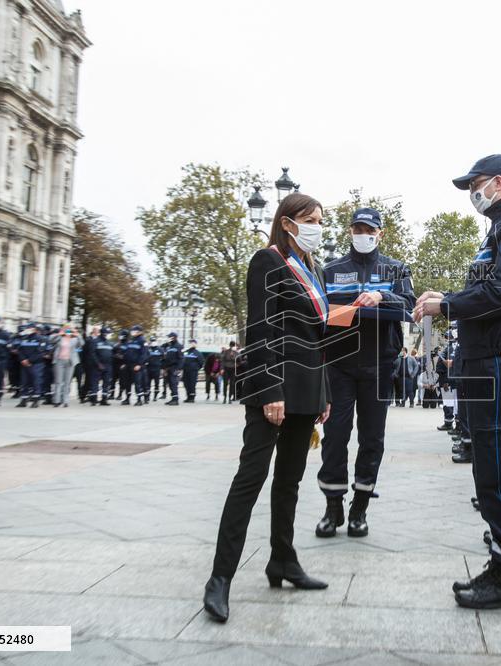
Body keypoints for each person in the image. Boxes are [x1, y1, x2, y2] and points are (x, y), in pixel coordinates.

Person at [414, 154, 501, 609]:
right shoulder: (500, 228)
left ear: (499, 182)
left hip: (495, 362)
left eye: (476, 184)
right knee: (487, 468)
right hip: (480, 361)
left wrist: (447, 306)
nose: (473, 193)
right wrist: (448, 297)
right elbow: (489, 291)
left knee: (499, 472)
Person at [204, 192, 332, 624]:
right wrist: (271, 390)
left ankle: (283, 561)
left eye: (321, 221)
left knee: (289, 481)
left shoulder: (315, 269)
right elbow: (260, 331)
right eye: (310, 220)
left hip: (308, 390)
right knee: (250, 479)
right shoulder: (267, 261)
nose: (317, 227)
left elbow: (319, 338)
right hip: (273, 389)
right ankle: (220, 578)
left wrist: (324, 394)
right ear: (287, 222)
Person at [315, 206, 415, 538]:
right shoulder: (331, 269)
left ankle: (360, 508)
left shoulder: (396, 268)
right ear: (350, 231)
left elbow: (409, 307)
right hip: (339, 366)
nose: (363, 235)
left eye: (370, 230)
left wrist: (381, 296)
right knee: (335, 437)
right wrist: (350, 311)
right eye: (358, 229)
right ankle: (333, 507)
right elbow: (320, 314)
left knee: (372, 439)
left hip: (380, 365)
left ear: (380, 233)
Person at [50, 324, 83, 407]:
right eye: (66, 329)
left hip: (70, 362)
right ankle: (57, 400)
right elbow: (51, 340)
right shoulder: (59, 338)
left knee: (67, 382)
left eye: (69, 329)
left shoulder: (74, 339)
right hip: (59, 361)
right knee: (58, 381)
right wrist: (60, 333)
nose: (68, 330)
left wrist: (78, 334)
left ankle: (65, 401)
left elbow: (82, 343)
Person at [15, 323, 45, 408]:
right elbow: (20, 350)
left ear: (34, 329)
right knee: (24, 382)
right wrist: (23, 359)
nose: (27, 330)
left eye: (29, 328)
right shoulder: (24, 339)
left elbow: (40, 352)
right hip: (25, 364)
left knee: (36, 382)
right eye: (27, 328)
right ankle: (23, 400)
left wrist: (29, 360)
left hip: (36, 364)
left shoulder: (40, 339)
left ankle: (35, 400)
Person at [125, 324, 148, 406]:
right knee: (127, 383)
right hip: (129, 365)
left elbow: (144, 354)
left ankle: (139, 399)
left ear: (140, 332)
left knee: (137, 383)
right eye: (132, 330)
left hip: (137, 366)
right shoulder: (131, 340)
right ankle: (127, 398)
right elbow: (127, 352)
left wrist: (139, 364)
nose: (133, 332)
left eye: (134, 331)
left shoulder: (143, 341)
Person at [163, 332, 183, 405]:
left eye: (170, 337)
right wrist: (164, 368)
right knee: (170, 383)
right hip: (168, 368)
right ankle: (173, 398)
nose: (168, 338)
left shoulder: (179, 346)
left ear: (174, 337)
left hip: (175, 367)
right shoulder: (169, 347)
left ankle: (175, 399)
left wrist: (179, 369)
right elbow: (166, 358)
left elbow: (181, 358)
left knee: (173, 383)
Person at [147, 336, 164, 402]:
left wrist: (162, 367)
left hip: (157, 368)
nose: (153, 342)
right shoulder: (148, 349)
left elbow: (163, 358)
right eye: (151, 341)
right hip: (149, 368)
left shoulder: (160, 349)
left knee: (157, 383)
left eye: (154, 341)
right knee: (147, 383)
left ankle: (155, 396)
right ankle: (147, 396)